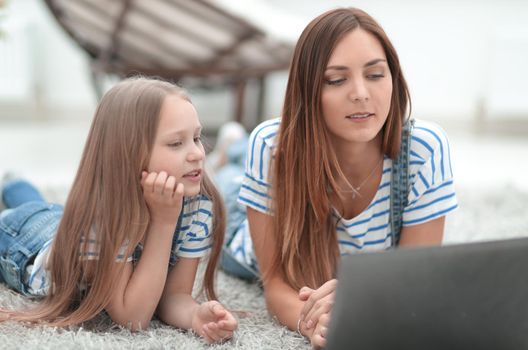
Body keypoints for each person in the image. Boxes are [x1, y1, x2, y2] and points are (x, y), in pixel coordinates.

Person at [221, 7, 458, 349]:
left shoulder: (425, 149)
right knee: (226, 184)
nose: (361, 93)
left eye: (375, 75)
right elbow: (275, 286)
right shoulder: (271, 145)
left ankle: (234, 146)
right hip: (243, 231)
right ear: (308, 91)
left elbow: (414, 284)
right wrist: (312, 324)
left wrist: (358, 303)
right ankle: (233, 149)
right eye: (336, 79)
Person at [0, 77, 237, 343]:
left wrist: (195, 315)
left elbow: (173, 296)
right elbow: (133, 317)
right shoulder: (104, 216)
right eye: (175, 143)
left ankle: (14, 183)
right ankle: (12, 184)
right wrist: (163, 222)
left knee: (42, 206)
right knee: (27, 212)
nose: (197, 153)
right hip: (27, 242)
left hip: (59, 221)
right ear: (128, 153)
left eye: (196, 137)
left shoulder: (197, 205)